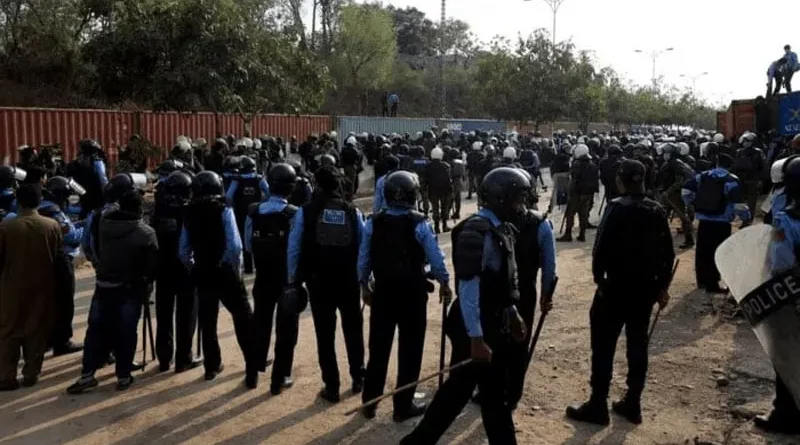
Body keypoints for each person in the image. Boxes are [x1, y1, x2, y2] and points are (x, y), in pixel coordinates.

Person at [401, 167, 530, 445]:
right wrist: (476, 338)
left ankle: (416, 442)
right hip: (474, 327)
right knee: (487, 396)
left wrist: (513, 311)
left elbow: (502, 282)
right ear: (499, 198)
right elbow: (469, 290)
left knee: (466, 393)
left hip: (491, 323)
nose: (521, 206)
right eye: (516, 199)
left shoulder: (502, 228)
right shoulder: (476, 232)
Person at [565, 159, 675, 426]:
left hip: (614, 289)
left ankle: (598, 404)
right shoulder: (657, 210)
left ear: (620, 180)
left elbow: (599, 250)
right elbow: (667, 254)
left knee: (603, 346)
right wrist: (661, 288)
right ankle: (633, 403)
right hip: (645, 291)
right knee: (638, 346)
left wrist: (599, 281)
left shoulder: (616, 209)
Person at [358, 170, 452, 421]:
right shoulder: (419, 222)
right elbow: (436, 257)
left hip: (383, 294)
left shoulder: (373, 222)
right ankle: (402, 406)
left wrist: (364, 287)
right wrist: (444, 281)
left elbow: (364, 259)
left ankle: (370, 402)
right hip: (412, 294)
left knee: (378, 349)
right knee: (410, 351)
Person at [67, 187, 159, 393]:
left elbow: (91, 245)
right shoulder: (145, 233)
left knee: (96, 330)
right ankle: (124, 375)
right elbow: (152, 266)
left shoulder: (103, 224)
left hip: (103, 284)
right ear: (139, 210)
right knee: (126, 331)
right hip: (129, 289)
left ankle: (87, 375)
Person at [286, 165, 365, 402]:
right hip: (348, 281)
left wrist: (293, 280)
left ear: (317, 185)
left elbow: (294, 247)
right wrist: (364, 280)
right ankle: (358, 378)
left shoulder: (305, 211)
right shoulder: (352, 211)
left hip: (318, 282)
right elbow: (363, 247)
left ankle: (332, 386)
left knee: (325, 333)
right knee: (353, 329)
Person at [180, 171, 255, 383]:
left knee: (208, 321)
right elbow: (235, 246)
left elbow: (183, 251)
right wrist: (235, 270)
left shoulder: (188, 212)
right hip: (224, 271)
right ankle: (252, 367)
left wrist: (194, 267)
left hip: (203, 271)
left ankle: (211, 366)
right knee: (243, 317)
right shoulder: (223, 210)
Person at [245, 163, 303, 393]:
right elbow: (296, 249)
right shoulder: (295, 214)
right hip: (287, 279)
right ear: (291, 188)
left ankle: (252, 374)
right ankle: (279, 379)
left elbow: (248, 245)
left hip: (263, 276)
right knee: (286, 329)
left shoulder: (253, 211)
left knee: (260, 324)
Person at [0, 184, 63, 391]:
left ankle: (7, 376)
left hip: (10, 287)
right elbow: (58, 257)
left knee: (9, 331)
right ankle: (31, 373)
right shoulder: (52, 225)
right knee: (36, 329)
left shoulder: (6, 227)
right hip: (42, 287)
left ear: (18, 202)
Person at [759, 155, 800, 434]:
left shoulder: (785, 221)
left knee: (787, 358)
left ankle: (785, 417)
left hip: (793, 300)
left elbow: (781, 265)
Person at [506, 193, 557, 409]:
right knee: (520, 340)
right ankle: (513, 392)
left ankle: (493, 389)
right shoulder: (540, 224)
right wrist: (546, 294)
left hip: (494, 292)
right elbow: (549, 265)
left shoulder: (489, 220)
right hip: (525, 291)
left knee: (495, 340)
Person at [151, 171, 202, 374]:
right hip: (185, 269)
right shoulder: (190, 211)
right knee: (187, 313)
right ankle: (183, 359)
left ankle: (164, 359)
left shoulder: (158, 210)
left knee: (163, 314)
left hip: (163, 269)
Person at [682, 154, 751, 294]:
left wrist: (692, 203)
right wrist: (746, 217)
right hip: (721, 223)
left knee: (702, 252)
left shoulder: (702, 176)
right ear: (730, 166)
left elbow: (686, 190)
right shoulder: (731, 180)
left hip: (704, 222)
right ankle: (713, 285)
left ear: (717, 163)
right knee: (718, 253)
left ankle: (702, 281)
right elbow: (738, 204)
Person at [226, 156, 269, 275]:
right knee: (260, 237)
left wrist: (233, 206)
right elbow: (269, 193)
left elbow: (229, 196)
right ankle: (260, 267)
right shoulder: (259, 178)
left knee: (244, 238)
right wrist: (263, 204)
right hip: (257, 212)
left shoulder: (237, 179)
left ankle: (248, 268)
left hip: (241, 213)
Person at [558, 144, 599, 242]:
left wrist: (569, 193)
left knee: (570, 213)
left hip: (577, 192)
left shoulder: (576, 164)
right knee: (583, 214)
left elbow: (573, 181)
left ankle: (568, 234)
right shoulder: (593, 164)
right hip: (588, 193)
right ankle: (582, 234)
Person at [657, 143, 695, 248]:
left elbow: (679, 181)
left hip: (674, 194)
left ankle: (689, 240)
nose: (665, 154)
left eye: (667, 153)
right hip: (668, 193)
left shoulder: (676, 164)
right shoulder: (669, 163)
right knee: (662, 216)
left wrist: (667, 192)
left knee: (683, 217)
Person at [65, 139, 108, 219]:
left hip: (89, 201)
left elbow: (70, 181)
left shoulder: (76, 164)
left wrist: (82, 192)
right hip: (96, 201)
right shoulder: (97, 163)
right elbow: (104, 182)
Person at [731, 132, 765, 225]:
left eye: (747, 141)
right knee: (750, 201)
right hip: (750, 180)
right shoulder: (758, 152)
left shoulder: (739, 152)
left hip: (746, 180)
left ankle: (745, 220)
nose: (745, 143)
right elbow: (764, 167)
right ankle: (747, 220)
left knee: (746, 201)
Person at [424, 147, 454, 233]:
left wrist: (425, 189)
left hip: (433, 190)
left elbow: (425, 179)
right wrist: (451, 189)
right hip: (445, 190)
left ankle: (436, 227)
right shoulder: (446, 165)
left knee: (435, 208)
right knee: (444, 208)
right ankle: (444, 226)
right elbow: (449, 179)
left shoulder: (427, 166)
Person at [447, 147, 467, 220]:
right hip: (459, 181)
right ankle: (457, 213)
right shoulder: (460, 162)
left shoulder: (449, 162)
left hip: (452, 181)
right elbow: (464, 173)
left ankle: (447, 213)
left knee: (450, 199)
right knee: (458, 199)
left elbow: (449, 173)